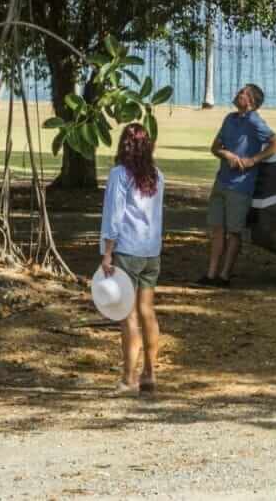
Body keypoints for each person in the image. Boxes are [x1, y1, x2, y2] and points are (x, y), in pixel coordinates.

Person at [99, 122, 164, 394]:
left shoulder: (119, 174)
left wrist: (107, 252)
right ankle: (149, 374)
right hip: (151, 251)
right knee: (147, 313)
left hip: (126, 249)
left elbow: (114, 216)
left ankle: (129, 378)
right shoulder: (157, 175)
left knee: (127, 317)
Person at [200, 83, 276, 287]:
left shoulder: (255, 121)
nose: (238, 94)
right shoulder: (229, 119)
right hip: (221, 181)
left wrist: (253, 160)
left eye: (243, 93)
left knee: (234, 232)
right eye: (239, 91)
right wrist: (225, 153)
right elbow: (214, 147)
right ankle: (211, 275)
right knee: (217, 229)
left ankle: (224, 276)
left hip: (241, 186)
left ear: (251, 101)